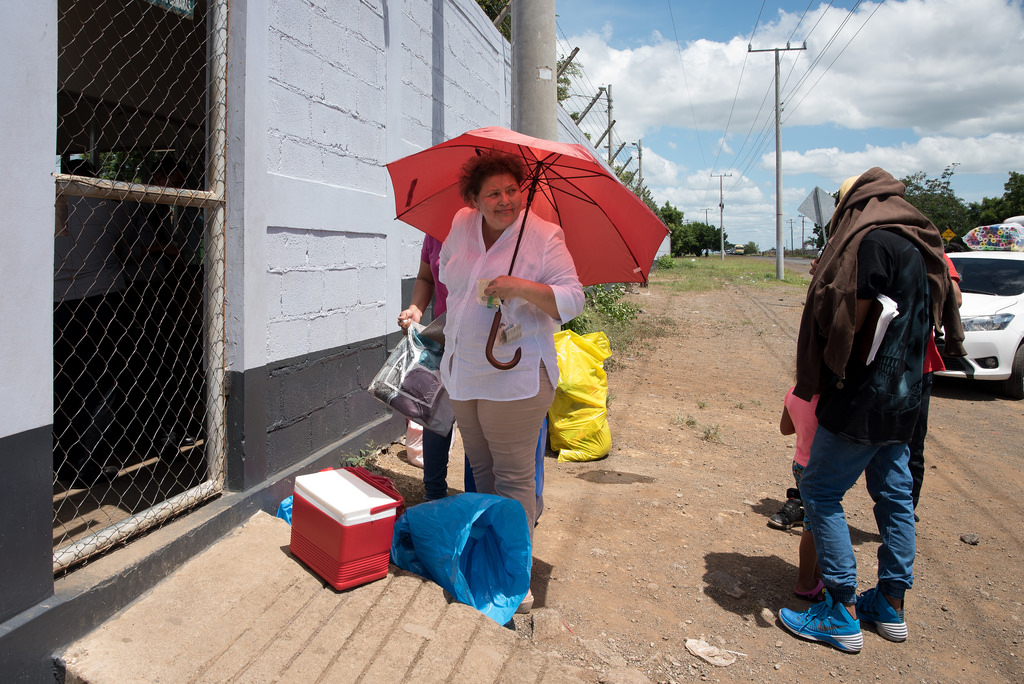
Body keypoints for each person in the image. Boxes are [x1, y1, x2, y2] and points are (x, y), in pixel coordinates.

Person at [780, 169, 965, 653]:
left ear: (851, 205)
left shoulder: (871, 243)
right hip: (908, 399)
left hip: (862, 397)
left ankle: (840, 609)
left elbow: (851, 322)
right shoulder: (919, 244)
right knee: (895, 498)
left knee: (819, 490)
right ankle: (890, 603)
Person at [438, 151, 584, 613]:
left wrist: (520, 287)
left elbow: (573, 299)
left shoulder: (543, 236)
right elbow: (450, 279)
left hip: (517, 374)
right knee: (481, 472)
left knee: (515, 477)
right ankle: (486, 557)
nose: (506, 200)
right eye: (493, 194)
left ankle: (513, 579)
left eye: (511, 191)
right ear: (474, 200)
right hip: (465, 369)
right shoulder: (461, 225)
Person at [397, 234, 456, 501]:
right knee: (435, 415)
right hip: (443, 336)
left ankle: (475, 502)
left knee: (476, 426)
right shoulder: (435, 233)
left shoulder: (490, 227)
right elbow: (426, 278)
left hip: (484, 344)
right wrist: (415, 309)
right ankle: (434, 494)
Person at [909, 254, 961, 519]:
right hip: (880, 364)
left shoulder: (935, 254)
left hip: (919, 364)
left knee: (913, 443)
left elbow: (957, 299)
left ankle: (906, 508)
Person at [778, 387, 824, 602]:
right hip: (823, 468)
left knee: (814, 519)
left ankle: (817, 575)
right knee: (815, 524)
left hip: (800, 464)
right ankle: (806, 581)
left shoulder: (794, 393)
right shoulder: (832, 400)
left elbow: (785, 429)